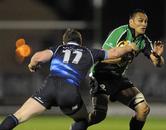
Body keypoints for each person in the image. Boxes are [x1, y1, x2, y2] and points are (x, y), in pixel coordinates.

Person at [0, 28, 137, 130]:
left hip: (49, 88)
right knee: (82, 120)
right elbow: (114, 53)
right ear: (80, 42)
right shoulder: (90, 52)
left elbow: (37, 57)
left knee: (18, 116)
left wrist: (32, 65)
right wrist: (129, 47)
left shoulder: (59, 48)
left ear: (65, 41)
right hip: (69, 91)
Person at [90, 9, 164, 130]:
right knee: (99, 116)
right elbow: (101, 58)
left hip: (118, 77)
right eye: (140, 21)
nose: (144, 24)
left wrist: (158, 56)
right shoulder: (120, 33)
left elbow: (158, 64)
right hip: (101, 75)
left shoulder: (143, 41)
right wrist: (121, 57)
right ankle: (77, 126)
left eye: (146, 21)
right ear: (131, 22)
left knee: (143, 109)